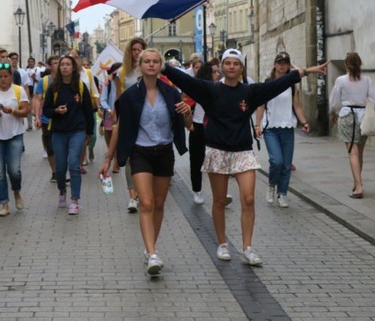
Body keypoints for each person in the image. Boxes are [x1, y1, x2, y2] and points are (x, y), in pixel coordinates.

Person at [162, 48, 328, 266]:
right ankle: (222, 243)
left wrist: (306, 71)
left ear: (241, 68)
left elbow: (276, 85)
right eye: (228, 63)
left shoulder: (250, 92)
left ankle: (247, 247)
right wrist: (162, 66)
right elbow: (184, 79)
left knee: (248, 199)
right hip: (217, 151)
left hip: (243, 151)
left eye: (236, 64)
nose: (231, 67)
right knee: (220, 200)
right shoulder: (210, 90)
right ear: (222, 67)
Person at [98, 49, 188, 276]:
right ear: (139, 65)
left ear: (161, 66)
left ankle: (150, 249)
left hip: (165, 152)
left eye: (155, 61)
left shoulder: (171, 93)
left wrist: (187, 113)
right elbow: (119, 128)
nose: (151, 65)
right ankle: (153, 252)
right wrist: (108, 159)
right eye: (146, 61)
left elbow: (187, 126)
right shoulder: (129, 97)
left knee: (159, 205)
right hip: (140, 153)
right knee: (146, 203)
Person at [254, 52, 310, 208]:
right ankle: (272, 184)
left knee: (286, 164)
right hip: (270, 127)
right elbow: (261, 105)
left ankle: (282, 194)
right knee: (276, 161)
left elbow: (296, 106)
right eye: (279, 62)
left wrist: (304, 122)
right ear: (274, 64)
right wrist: (257, 124)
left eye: (285, 63)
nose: (282, 65)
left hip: (287, 127)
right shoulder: (268, 83)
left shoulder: (291, 85)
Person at [42, 55, 95, 215]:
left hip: (77, 130)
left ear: (73, 68)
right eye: (62, 65)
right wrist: (56, 111)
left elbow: (87, 110)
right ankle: (62, 191)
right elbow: (46, 110)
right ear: (59, 69)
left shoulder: (80, 86)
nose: (65, 67)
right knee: (60, 168)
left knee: (74, 164)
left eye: (68, 64)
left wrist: (89, 132)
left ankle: (75, 200)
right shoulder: (53, 87)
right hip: (58, 131)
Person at [329, 52, 375, 199]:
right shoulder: (367, 80)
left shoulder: (341, 80)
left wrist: (334, 112)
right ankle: (357, 182)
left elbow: (334, 101)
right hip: (362, 116)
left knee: (352, 152)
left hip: (346, 115)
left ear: (346, 64)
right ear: (360, 64)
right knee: (360, 152)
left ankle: (358, 187)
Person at [0, 61, 30, 217]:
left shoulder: (18, 90)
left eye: (6, 76)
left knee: (14, 170)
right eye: (0, 76)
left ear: (11, 77)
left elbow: (25, 111)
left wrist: (13, 111)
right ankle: (4, 204)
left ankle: (16, 191)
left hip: (15, 134)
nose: (3, 80)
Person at [113, 37, 147, 213]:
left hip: (147, 116)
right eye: (134, 49)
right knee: (128, 157)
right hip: (128, 116)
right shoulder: (122, 72)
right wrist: (116, 117)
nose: (137, 52)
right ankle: (132, 196)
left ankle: (142, 192)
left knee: (144, 154)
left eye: (140, 49)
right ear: (129, 51)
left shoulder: (148, 69)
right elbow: (118, 97)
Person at [186, 61, 221, 205]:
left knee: (217, 160)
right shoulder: (199, 88)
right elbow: (187, 103)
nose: (218, 74)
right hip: (198, 126)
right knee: (196, 160)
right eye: (214, 72)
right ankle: (197, 190)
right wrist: (189, 123)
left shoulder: (221, 88)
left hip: (215, 127)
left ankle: (220, 193)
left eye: (218, 71)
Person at [34, 55, 60, 182]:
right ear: (50, 66)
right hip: (47, 119)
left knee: (61, 146)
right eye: (54, 63)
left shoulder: (67, 79)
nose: (57, 65)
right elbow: (38, 99)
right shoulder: (44, 81)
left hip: (63, 119)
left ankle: (61, 170)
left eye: (58, 62)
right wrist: (37, 117)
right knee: (50, 147)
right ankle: (54, 172)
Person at [99, 62, 122, 173]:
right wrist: (109, 110)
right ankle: (111, 154)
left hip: (121, 114)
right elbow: (102, 99)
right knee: (109, 136)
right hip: (109, 114)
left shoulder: (123, 83)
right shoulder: (107, 84)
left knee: (118, 136)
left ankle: (116, 160)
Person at [9, 52, 34, 130]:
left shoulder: (23, 72)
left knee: (26, 109)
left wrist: (28, 99)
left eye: (16, 59)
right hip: (11, 95)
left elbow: (26, 86)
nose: (14, 60)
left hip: (21, 94)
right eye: (12, 59)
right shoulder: (6, 71)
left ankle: (29, 124)